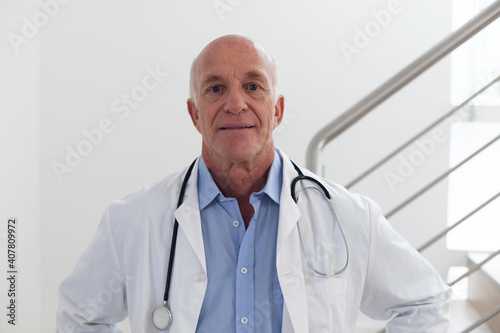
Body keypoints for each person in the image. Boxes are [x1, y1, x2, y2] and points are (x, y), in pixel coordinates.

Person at [57, 34, 452, 332]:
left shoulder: (348, 216)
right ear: (195, 114)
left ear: (276, 110)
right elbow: (78, 315)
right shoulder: (133, 219)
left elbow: (427, 304)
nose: (235, 103)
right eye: (215, 88)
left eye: (253, 86)